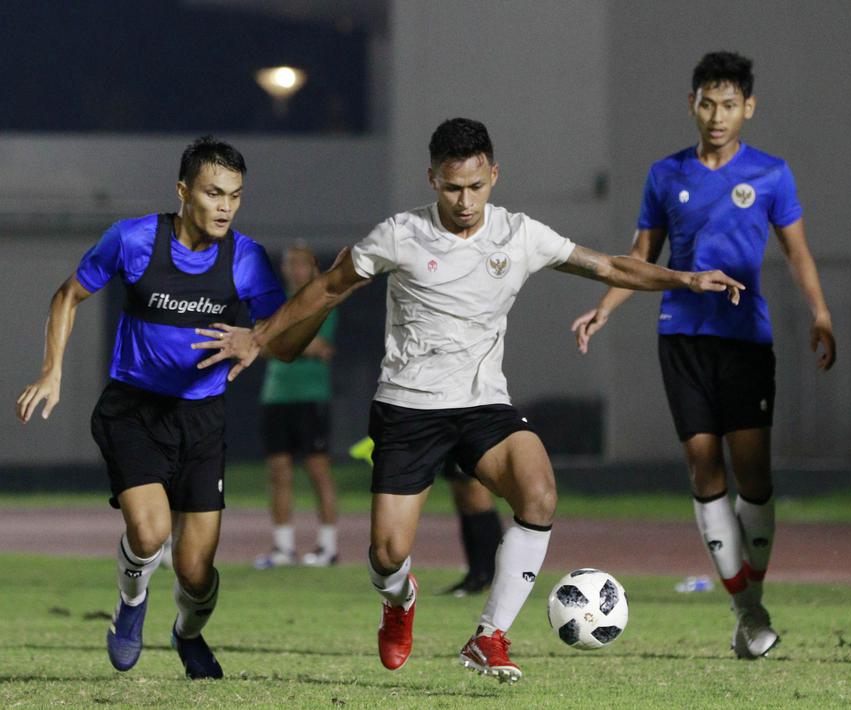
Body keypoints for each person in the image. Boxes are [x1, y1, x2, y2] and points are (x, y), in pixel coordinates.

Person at [192, 117, 744, 684]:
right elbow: (329, 286)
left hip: (483, 405)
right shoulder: (400, 234)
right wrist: (257, 338)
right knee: (386, 555)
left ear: (494, 176)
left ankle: (489, 637)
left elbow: (607, 264)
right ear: (432, 178)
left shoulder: (519, 234)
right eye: (453, 187)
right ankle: (399, 600)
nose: (465, 200)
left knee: (539, 493)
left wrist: (684, 278)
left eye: (476, 186)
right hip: (408, 407)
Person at [14, 136, 327, 679]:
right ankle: (131, 603)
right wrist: (52, 369)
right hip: (133, 410)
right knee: (150, 533)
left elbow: (286, 342)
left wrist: (315, 303)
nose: (225, 206)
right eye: (213, 193)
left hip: (202, 421)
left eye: (235, 195)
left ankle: (188, 633)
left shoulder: (245, 258)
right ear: (184, 192)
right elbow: (68, 295)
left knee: (195, 571)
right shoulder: (133, 239)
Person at [570, 50, 836, 660]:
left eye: (729, 105)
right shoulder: (666, 175)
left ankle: (752, 595)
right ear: (692, 104)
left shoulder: (772, 174)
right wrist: (604, 309)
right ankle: (748, 611)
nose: (717, 116)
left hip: (745, 341)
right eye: (707, 103)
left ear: (749, 108)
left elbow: (797, 253)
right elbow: (640, 257)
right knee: (701, 467)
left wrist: (819, 312)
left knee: (756, 477)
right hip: (682, 337)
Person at [255, 244, 340, 569]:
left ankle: (328, 547)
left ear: (312, 267)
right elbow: (259, 344)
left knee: (319, 471)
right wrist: (287, 342)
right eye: (290, 264)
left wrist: (277, 339)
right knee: (278, 472)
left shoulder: (323, 302)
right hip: (276, 396)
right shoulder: (273, 302)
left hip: (311, 396)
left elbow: (319, 345)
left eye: (300, 264)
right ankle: (283, 547)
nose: (294, 270)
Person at [351, 437, 503, 595]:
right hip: (451, 427)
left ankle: (489, 575)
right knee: (462, 494)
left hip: (469, 426)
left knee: (475, 494)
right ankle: (476, 574)